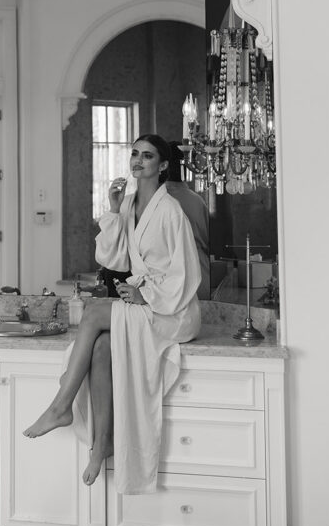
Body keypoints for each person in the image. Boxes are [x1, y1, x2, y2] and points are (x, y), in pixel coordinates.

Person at [23, 134, 201, 494]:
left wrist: (144, 294)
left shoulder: (171, 211)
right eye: (134, 153)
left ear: (163, 165)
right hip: (144, 303)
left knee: (92, 314)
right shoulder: (131, 203)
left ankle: (61, 405)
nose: (137, 160)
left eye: (147, 156)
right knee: (101, 351)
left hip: (171, 311)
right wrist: (114, 207)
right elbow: (113, 259)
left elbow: (187, 273)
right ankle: (102, 443)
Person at [166, 142, 211, 300]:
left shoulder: (151, 201)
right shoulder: (196, 201)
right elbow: (207, 241)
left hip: (168, 283)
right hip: (199, 277)